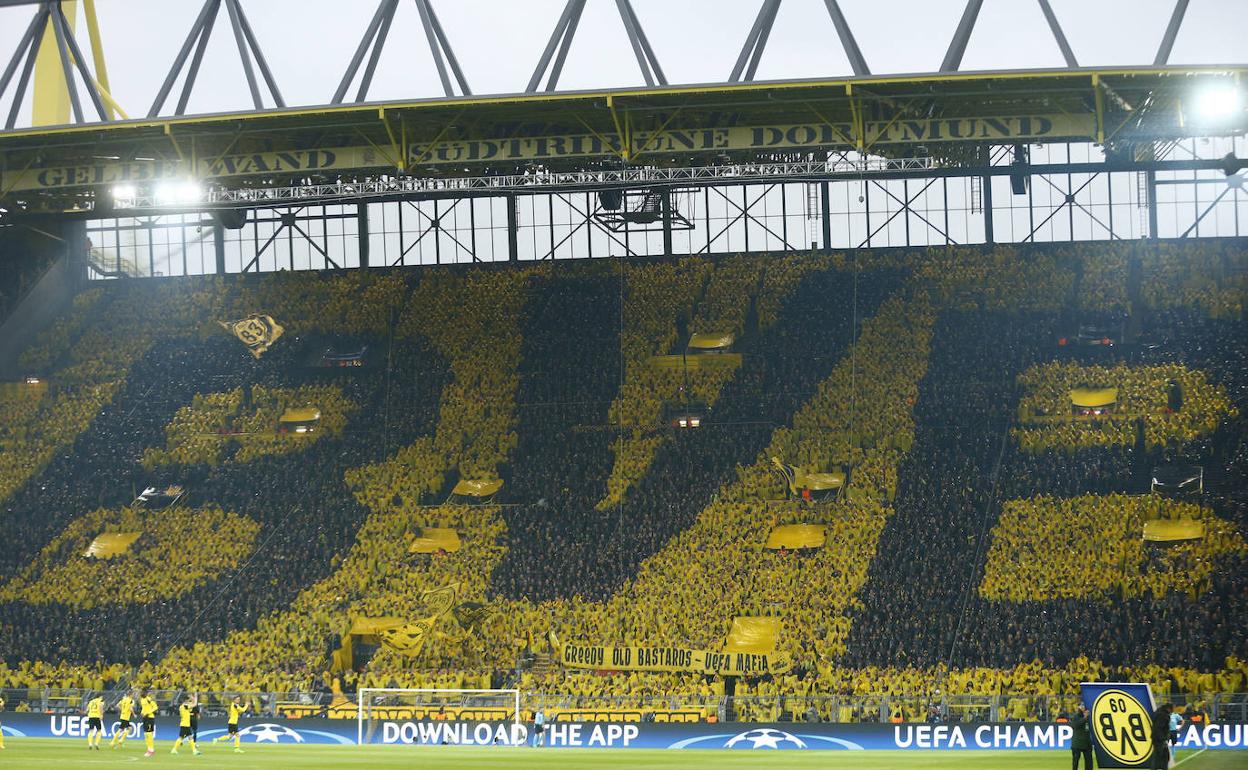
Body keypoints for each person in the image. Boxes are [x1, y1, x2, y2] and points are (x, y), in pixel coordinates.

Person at [1070, 704, 1094, 770]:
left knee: (1089, 762)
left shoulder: (1090, 717)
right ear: (1079, 707)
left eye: (1084, 706)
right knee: (1075, 762)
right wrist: (1084, 718)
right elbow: (1075, 725)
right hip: (1077, 743)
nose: (1083, 708)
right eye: (1082, 706)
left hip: (1087, 743)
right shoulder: (1076, 716)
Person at [1150, 703, 1172, 770]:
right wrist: (1163, 739)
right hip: (1160, 739)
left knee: (1159, 756)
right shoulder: (1163, 715)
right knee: (1161, 756)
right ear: (1169, 709)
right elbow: (1159, 728)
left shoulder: (1158, 712)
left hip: (1156, 738)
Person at [139, 689, 158, 757]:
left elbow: (155, 707)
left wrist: (148, 713)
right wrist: (142, 712)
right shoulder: (142, 700)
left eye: (142, 692)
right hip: (145, 718)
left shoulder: (149, 699)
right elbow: (143, 708)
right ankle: (149, 749)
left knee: (149, 733)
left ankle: (151, 750)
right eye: (141, 692)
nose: (141, 693)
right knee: (146, 734)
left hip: (150, 718)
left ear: (146, 693)